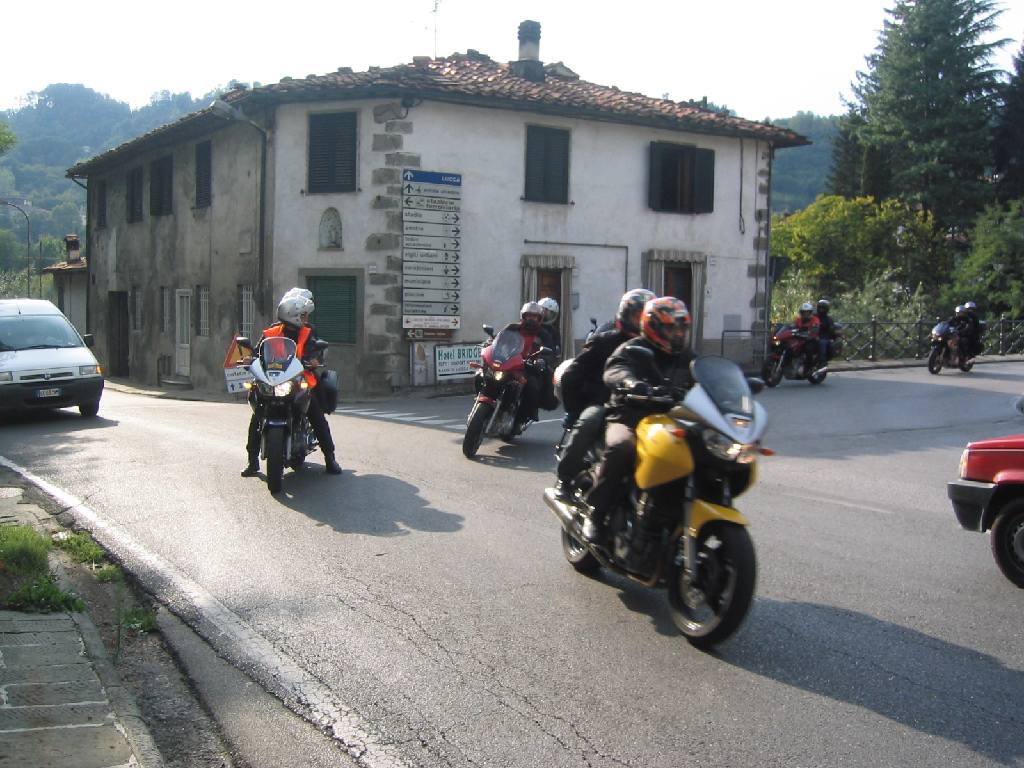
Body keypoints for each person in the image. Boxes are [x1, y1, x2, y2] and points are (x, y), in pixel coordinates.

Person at [582, 296, 695, 543]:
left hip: (671, 420)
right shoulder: (632, 348)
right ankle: (596, 513)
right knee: (622, 447)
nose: (678, 334)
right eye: (672, 328)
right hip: (629, 417)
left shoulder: (686, 356)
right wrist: (630, 383)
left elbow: (704, 377)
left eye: (681, 328)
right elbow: (615, 369)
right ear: (654, 326)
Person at [554, 288, 655, 500]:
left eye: (645, 317)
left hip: (647, 405)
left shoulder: (658, 346)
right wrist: (575, 409)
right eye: (636, 316)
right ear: (625, 315)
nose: (640, 322)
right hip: (604, 402)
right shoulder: (605, 341)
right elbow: (572, 375)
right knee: (589, 422)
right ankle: (565, 478)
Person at [241, 289, 342, 477]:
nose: (305, 318)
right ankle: (252, 461)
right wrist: (250, 359)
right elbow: (258, 351)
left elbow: (316, 349)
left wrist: (315, 359)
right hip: (273, 380)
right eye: (303, 315)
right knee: (257, 416)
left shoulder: (308, 332)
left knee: (316, 415)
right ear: (293, 315)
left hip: (300, 379)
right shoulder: (271, 332)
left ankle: (330, 457)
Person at [794, 301, 821, 368]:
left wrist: (810, 333)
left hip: (811, 339)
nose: (805, 314)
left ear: (810, 312)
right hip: (799, 339)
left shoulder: (815, 319)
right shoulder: (798, 320)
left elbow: (815, 329)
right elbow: (793, 327)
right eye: (803, 312)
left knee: (808, 349)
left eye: (807, 312)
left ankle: (808, 367)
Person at [815, 299, 837, 364]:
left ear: (827, 309)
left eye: (823, 308)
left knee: (822, 344)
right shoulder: (813, 317)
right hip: (811, 336)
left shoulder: (829, 319)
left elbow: (831, 331)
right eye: (820, 308)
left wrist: (831, 337)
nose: (821, 310)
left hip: (823, 337)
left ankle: (822, 362)